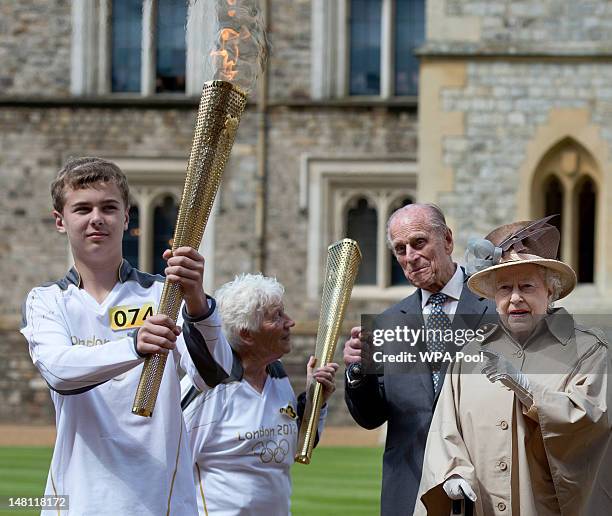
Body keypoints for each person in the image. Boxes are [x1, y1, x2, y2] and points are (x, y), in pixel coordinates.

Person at [20, 157, 233, 515]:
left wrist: (197, 301)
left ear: (126, 217)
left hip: (159, 500)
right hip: (79, 500)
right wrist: (133, 345)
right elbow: (59, 371)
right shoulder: (47, 301)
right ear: (60, 221)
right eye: (82, 209)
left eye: (109, 207)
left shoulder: (163, 294)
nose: (96, 219)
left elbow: (214, 374)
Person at [415, 217, 612, 515]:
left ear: (551, 291)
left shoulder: (589, 350)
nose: (515, 297)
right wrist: (451, 473)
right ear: (494, 298)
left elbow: (591, 422)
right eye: (505, 288)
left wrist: (528, 387)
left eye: (527, 286)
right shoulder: (470, 353)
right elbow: (445, 430)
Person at [343, 203, 495, 515]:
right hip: (411, 490)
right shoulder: (385, 324)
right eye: (400, 249)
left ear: (448, 241)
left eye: (419, 243)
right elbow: (370, 416)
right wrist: (358, 372)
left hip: (485, 489)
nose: (410, 257)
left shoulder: (496, 309)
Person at [180, 273, 339, 516]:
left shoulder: (277, 374)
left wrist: (314, 401)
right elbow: (168, 464)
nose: (290, 322)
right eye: (277, 317)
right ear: (247, 334)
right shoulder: (207, 388)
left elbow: (293, 447)